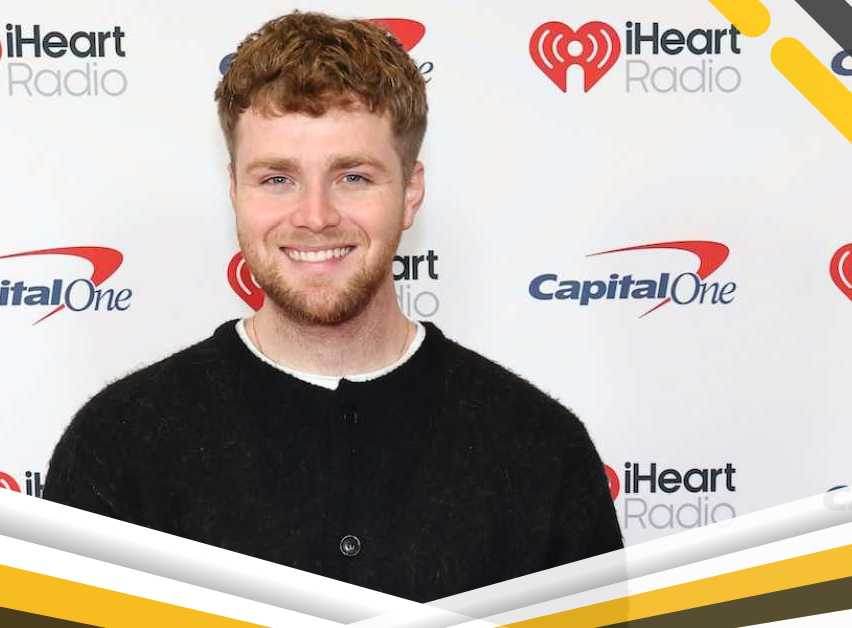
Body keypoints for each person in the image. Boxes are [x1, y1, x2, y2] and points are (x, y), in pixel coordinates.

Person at [43, 11, 621, 602]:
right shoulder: (118, 447)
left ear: (411, 192)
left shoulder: (540, 450)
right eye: (277, 179)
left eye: (353, 177)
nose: (315, 216)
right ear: (235, 191)